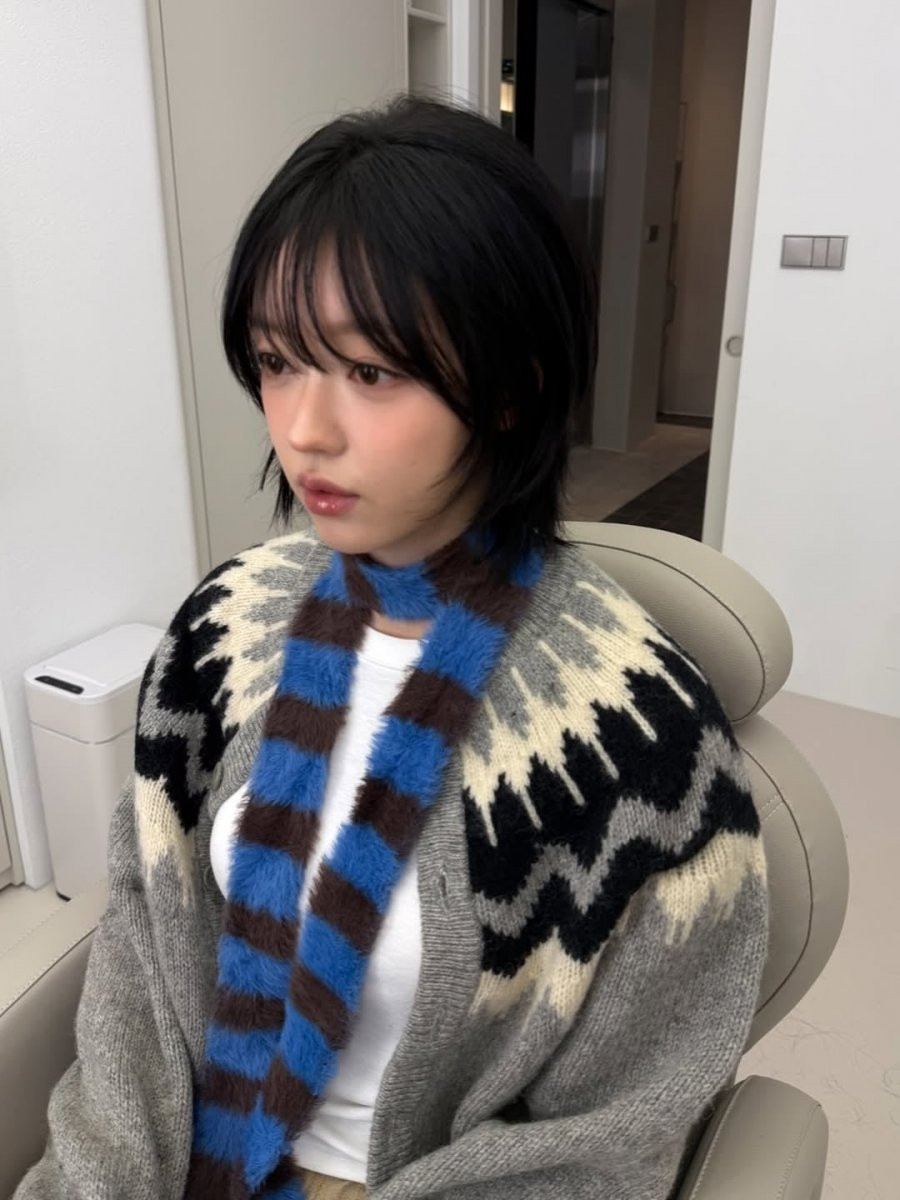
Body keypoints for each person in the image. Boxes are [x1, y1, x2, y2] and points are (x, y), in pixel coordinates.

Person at [16, 96, 767, 1200]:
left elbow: (612, 1141)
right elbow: (141, 974)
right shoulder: (220, 632)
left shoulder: (640, 735)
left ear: (509, 387)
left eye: (370, 373)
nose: (303, 429)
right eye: (278, 361)